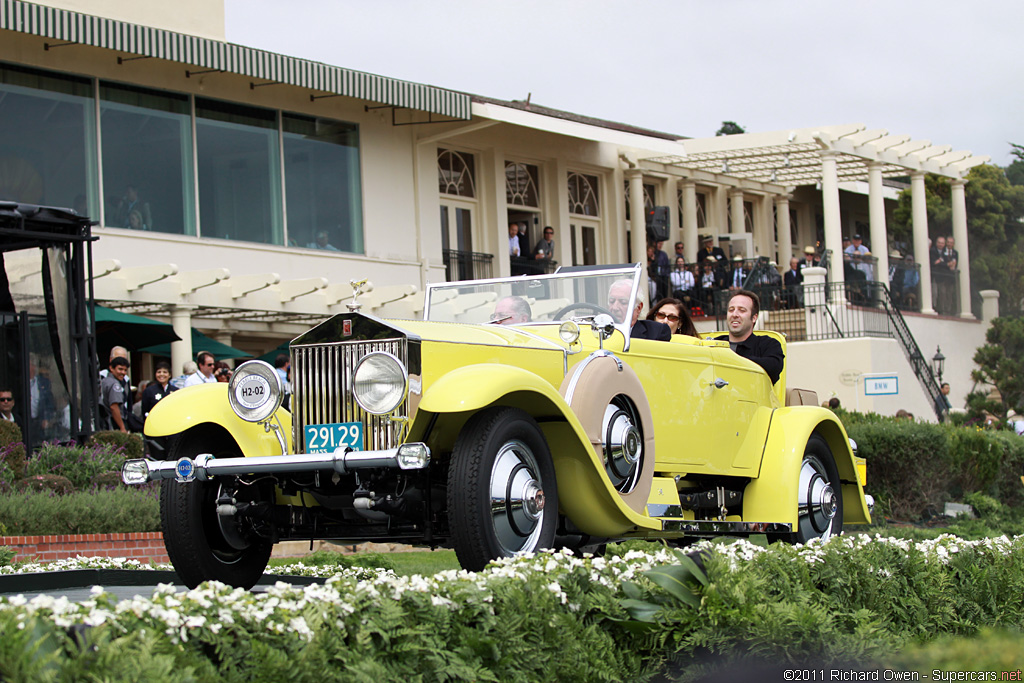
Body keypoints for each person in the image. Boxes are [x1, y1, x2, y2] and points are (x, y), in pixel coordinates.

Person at [711, 289, 784, 385]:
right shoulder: (714, 344)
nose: (735, 315)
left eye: (742, 310)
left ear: (754, 317)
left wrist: (732, 359)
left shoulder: (768, 344)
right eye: (731, 310)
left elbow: (773, 367)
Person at [100, 356, 131, 433]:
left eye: (125, 370)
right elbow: (114, 406)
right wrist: (122, 427)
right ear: (111, 368)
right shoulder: (114, 384)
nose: (123, 372)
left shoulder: (104, 381)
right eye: (120, 369)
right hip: (113, 423)